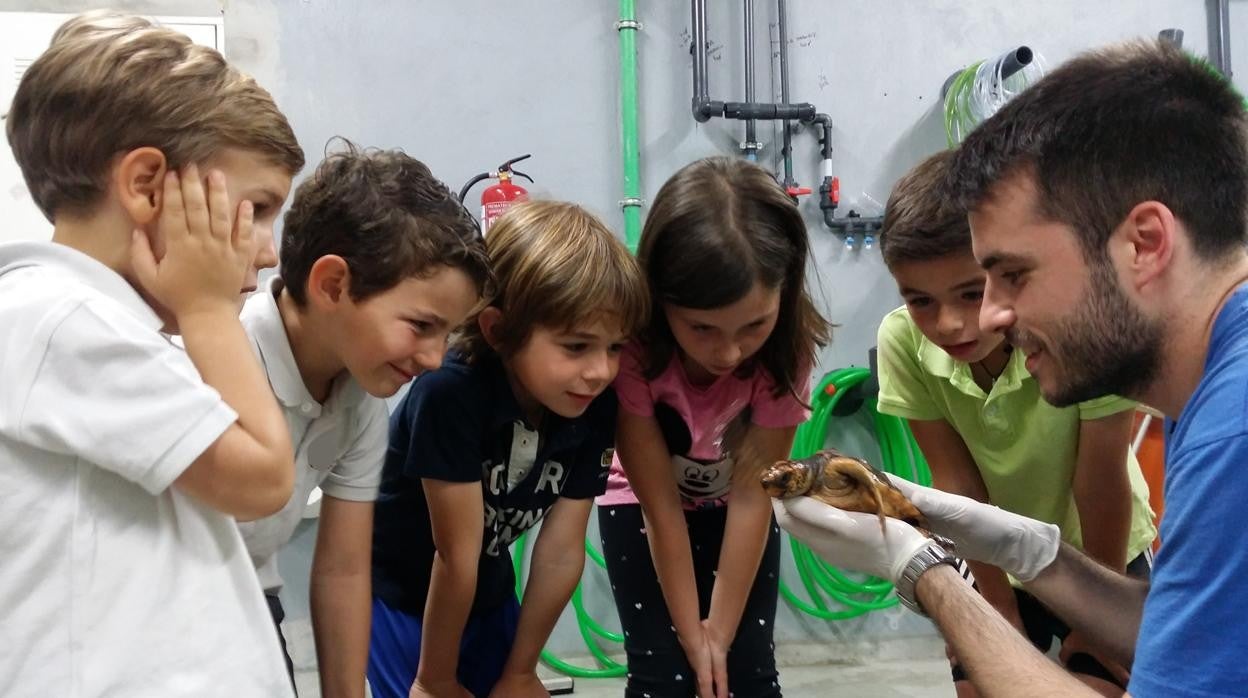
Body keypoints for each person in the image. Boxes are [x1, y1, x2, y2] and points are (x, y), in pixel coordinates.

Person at [777, 40, 1248, 698]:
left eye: (1012, 275)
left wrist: (923, 572)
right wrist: (1027, 549)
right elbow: (1195, 641)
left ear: (1144, 244)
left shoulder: (1235, 432)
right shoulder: (1218, 390)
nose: (989, 317)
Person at [0, 12, 305, 695]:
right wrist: (206, 308)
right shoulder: (61, 320)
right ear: (145, 186)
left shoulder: (93, 325)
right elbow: (261, 480)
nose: (267, 248)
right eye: (256, 209)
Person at [875, 149, 1157, 694]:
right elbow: (957, 485)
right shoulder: (902, 341)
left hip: (1100, 551)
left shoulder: (1079, 332)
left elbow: (1099, 482)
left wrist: (1091, 616)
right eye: (920, 301)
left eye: (969, 292)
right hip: (991, 558)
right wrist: (998, 611)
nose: (950, 323)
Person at [237, 142, 491, 695]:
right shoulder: (225, 357)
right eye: (421, 325)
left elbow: (343, 569)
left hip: (254, 598)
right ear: (333, 285)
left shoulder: (360, 400)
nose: (433, 358)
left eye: (447, 333)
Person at [367, 200, 649, 698]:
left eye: (615, 347)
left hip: (489, 590)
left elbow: (561, 552)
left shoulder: (596, 404)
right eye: (576, 346)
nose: (601, 370)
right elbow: (454, 555)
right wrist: (433, 679)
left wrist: (521, 669)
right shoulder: (450, 393)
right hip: (405, 598)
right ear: (498, 330)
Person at [598, 156, 830, 698]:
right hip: (641, 507)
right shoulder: (633, 345)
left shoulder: (785, 349)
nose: (728, 352)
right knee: (669, 676)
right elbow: (660, 508)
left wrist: (719, 634)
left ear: (785, 292)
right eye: (701, 328)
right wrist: (695, 639)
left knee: (744, 672)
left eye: (754, 325)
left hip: (737, 505)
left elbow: (754, 497)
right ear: (659, 299)